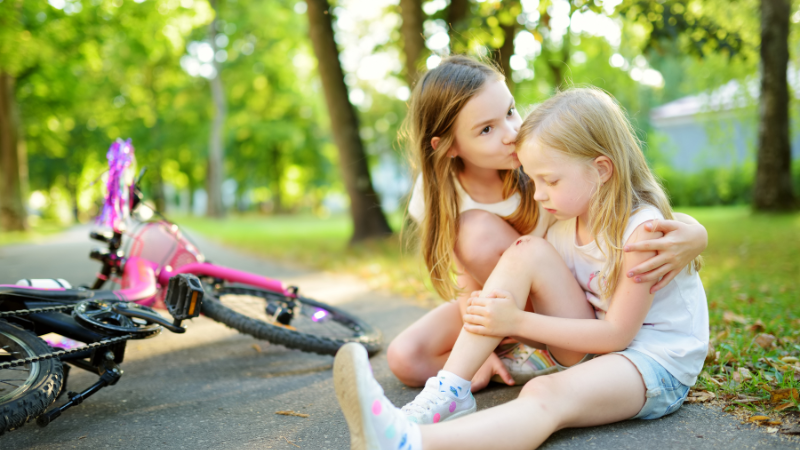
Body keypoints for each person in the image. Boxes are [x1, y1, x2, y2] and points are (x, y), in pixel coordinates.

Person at [333, 87, 710, 450]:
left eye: (550, 180)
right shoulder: (563, 222)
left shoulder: (643, 232)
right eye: (535, 179)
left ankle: (408, 443)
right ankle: (449, 390)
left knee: (544, 394)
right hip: (593, 349)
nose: (538, 193)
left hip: (653, 363)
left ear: (601, 169)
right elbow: (518, 272)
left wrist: (514, 323)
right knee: (526, 249)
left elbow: (617, 335)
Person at [388, 55, 708, 393]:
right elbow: (467, 281)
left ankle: (535, 353)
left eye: (510, 112)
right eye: (486, 129)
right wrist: (475, 352)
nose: (511, 134)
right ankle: (503, 357)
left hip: (559, 309)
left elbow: (628, 200)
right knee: (405, 357)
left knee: (479, 233)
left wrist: (696, 233)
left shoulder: (545, 172)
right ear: (450, 147)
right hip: (496, 302)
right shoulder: (435, 191)